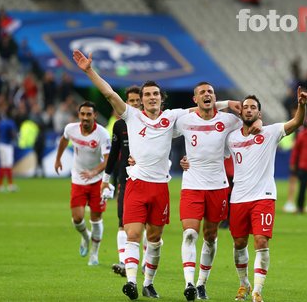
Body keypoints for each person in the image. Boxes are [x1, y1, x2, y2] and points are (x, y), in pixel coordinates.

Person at [73, 50, 240, 300]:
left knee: (154, 239)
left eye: (155, 95)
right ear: (140, 100)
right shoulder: (132, 116)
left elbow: (202, 108)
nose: (151, 98)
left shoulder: (172, 118)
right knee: (132, 234)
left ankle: (148, 283)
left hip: (160, 187)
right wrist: (88, 71)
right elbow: (109, 93)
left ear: (162, 99)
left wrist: (227, 104)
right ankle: (131, 281)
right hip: (136, 184)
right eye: (147, 95)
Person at [176, 82, 262, 301]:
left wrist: (258, 120)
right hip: (192, 185)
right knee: (189, 234)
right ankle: (189, 283)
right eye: (202, 92)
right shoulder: (184, 120)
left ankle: (201, 283)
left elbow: (252, 121)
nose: (207, 94)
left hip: (218, 186)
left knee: (210, 236)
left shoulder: (229, 120)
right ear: (194, 99)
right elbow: (157, 132)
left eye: (211, 92)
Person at [226, 87, 307, 302]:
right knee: (239, 244)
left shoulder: (270, 132)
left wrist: (301, 105)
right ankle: (244, 284)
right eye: (245, 107)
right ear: (241, 112)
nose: (249, 110)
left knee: (261, 241)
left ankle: (257, 292)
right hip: (238, 198)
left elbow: (296, 123)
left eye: (253, 107)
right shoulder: (231, 138)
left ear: (259, 114)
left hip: (264, 196)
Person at [54, 101, 111, 266]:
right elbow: (64, 141)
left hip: (97, 181)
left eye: (88, 114)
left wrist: (94, 172)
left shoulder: (102, 134)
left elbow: (107, 160)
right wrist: (58, 159)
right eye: (82, 114)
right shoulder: (71, 129)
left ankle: (94, 254)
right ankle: (86, 237)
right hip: (78, 179)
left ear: (95, 116)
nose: (85, 118)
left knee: (96, 218)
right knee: (77, 218)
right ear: (79, 115)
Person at [100, 86, 146, 277]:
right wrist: (105, 179)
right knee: (122, 220)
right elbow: (113, 155)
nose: (134, 104)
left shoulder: (151, 122)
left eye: (137, 100)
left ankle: (145, 263)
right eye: (131, 101)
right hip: (125, 178)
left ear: (142, 101)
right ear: (126, 102)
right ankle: (122, 261)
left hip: (147, 179)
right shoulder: (119, 125)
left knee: (146, 225)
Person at [0, 106, 18, 192]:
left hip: (0, 144)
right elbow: (13, 134)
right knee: (8, 165)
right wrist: (15, 138)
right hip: (7, 145)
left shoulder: (1, 122)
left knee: (3, 165)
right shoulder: (11, 123)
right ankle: (10, 185)